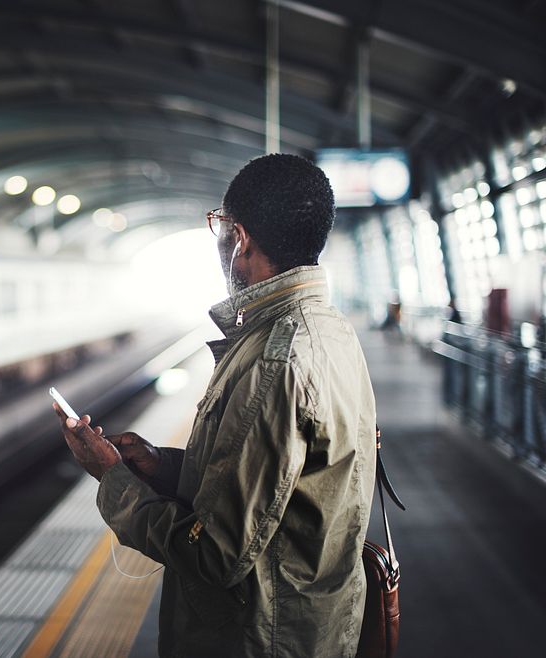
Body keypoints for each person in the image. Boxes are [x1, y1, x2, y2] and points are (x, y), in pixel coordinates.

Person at [54, 153, 377, 657]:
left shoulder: (276, 360)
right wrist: (158, 466)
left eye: (220, 225)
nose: (219, 238)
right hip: (309, 628)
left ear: (240, 237)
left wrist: (113, 480)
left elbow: (216, 555)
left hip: (257, 639)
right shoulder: (330, 329)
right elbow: (276, 488)